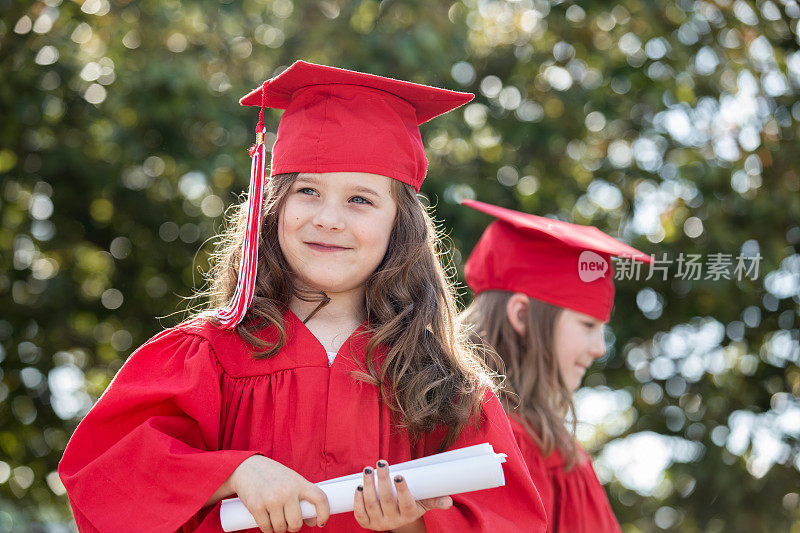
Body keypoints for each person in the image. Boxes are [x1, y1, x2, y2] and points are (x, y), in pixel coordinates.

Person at [58, 62, 547, 533]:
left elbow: (511, 520)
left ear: (400, 227)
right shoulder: (208, 356)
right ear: (274, 209)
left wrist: (414, 521)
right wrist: (235, 474)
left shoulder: (443, 383)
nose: (329, 218)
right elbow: (104, 479)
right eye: (308, 191)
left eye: (361, 199)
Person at [458, 199, 652, 533]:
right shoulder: (505, 443)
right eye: (587, 325)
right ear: (521, 315)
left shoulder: (556, 451)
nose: (599, 348)